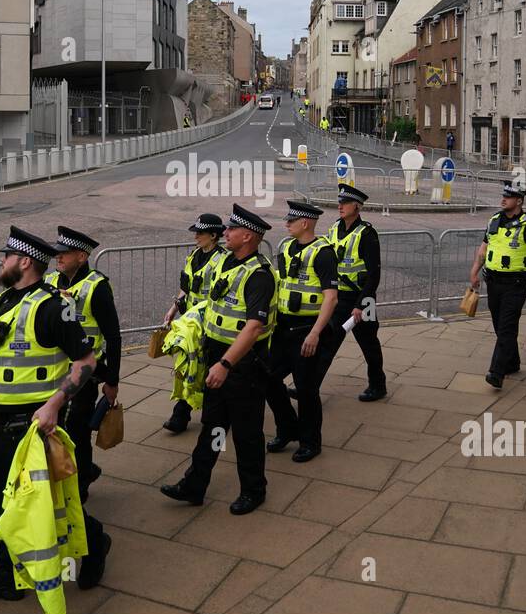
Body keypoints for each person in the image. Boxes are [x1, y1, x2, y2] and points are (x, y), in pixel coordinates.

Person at [0, 226, 112, 603]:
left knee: (44, 502)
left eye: (6, 257)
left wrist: (53, 406)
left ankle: (89, 544)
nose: (1, 262)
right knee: (9, 498)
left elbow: (86, 360)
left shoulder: (52, 305)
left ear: (24, 261)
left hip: (35, 425)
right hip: (0, 420)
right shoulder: (1, 303)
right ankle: (14, 573)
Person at [160, 204, 275, 515]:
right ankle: (195, 486)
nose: (225, 233)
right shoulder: (226, 264)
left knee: (247, 432)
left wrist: (225, 365)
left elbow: (254, 327)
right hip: (217, 358)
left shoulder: (260, 276)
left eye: (231, 230)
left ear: (248, 236)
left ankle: (254, 490)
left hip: (243, 365)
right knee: (213, 428)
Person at [44, 226, 120, 503]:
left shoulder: (96, 287)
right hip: (55, 371)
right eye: (57, 254)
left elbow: (113, 336)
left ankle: (81, 486)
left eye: (64, 254)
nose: (58, 258)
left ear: (81, 256)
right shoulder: (51, 280)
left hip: (86, 373)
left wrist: (112, 381)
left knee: (78, 429)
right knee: (59, 426)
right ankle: (83, 469)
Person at [263, 200, 338, 463]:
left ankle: (310, 442)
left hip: (307, 330)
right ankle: (287, 428)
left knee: (306, 390)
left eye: (291, 221)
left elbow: (330, 298)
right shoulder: (286, 248)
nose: (286, 224)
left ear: (304, 223)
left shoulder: (323, 252)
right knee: (268, 379)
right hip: (283, 328)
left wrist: (316, 333)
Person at [468, 184, 526, 389]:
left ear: (519, 201)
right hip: (493, 282)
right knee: (500, 326)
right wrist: (474, 272)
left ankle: (496, 372)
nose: (504, 199)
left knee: (506, 327)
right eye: (504, 196)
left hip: (517, 284)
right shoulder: (494, 220)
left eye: (509, 197)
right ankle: (513, 361)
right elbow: (483, 250)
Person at [161, 213, 228, 434]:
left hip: (209, 323)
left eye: (200, 233)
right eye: (195, 232)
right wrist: (172, 309)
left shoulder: (223, 260)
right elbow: (186, 287)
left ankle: (192, 414)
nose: (196, 236)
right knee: (189, 365)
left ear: (214, 235)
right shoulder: (194, 255)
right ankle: (182, 414)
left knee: (202, 367)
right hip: (190, 321)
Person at [325, 184, 387, 401]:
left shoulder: (367, 234)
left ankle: (378, 386)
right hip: (339, 298)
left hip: (362, 299)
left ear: (357, 207)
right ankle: (310, 385)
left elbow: (374, 275)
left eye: (345, 203)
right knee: (328, 342)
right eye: (339, 202)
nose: (340, 206)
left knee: (369, 343)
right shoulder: (334, 228)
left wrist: (361, 305)